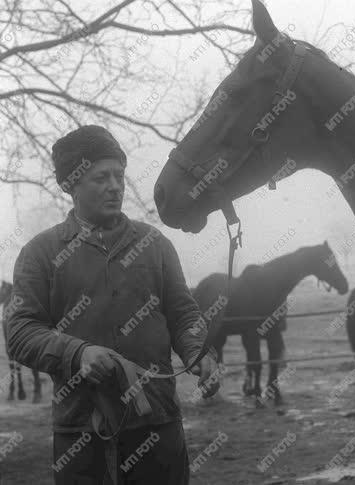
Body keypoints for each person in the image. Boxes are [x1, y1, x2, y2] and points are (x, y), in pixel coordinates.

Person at [7, 125, 220, 484]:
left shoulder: (155, 245)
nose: (116, 186)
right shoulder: (40, 254)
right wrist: (78, 354)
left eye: (119, 175)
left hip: (158, 423)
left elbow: (183, 314)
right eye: (100, 177)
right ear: (69, 184)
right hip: (82, 432)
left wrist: (199, 352)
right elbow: (19, 331)